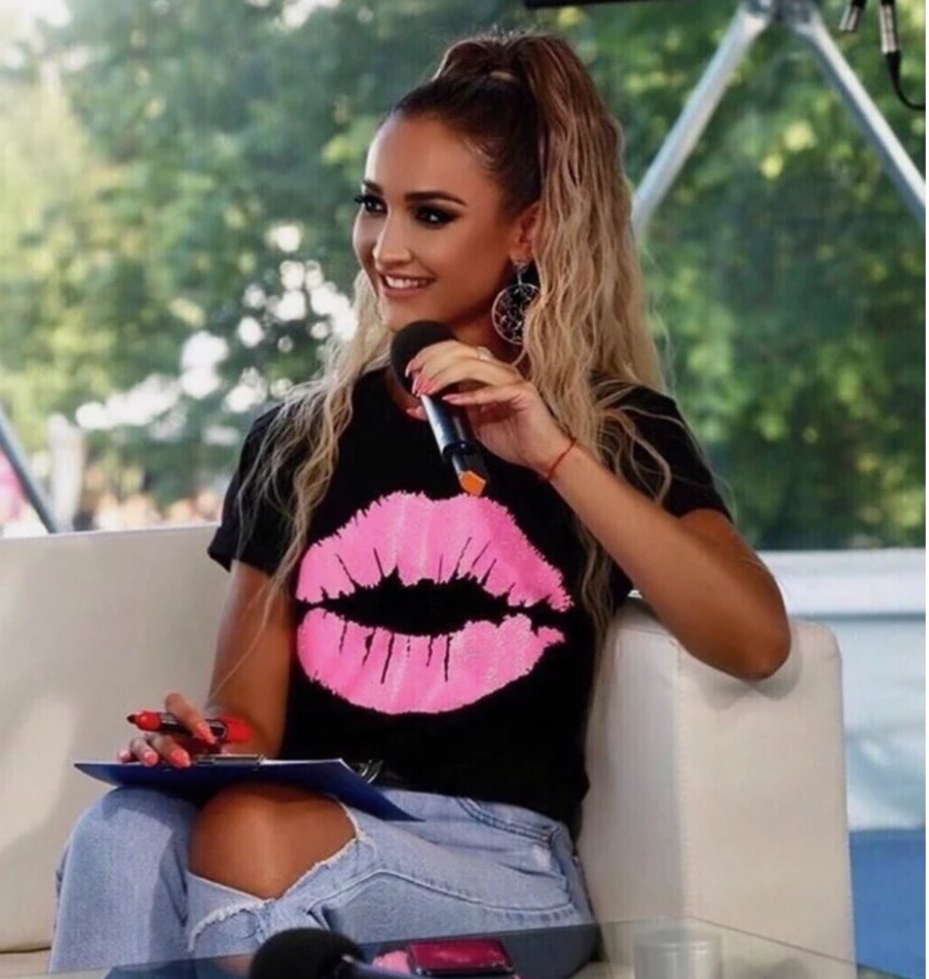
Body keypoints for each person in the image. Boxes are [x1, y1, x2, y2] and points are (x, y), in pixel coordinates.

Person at [49, 28, 790, 975]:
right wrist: (200, 745)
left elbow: (753, 640)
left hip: (499, 861)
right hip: (303, 818)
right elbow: (252, 722)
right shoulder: (297, 437)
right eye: (373, 205)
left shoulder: (615, 427)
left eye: (430, 214)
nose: (385, 247)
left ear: (526, 230)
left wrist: (551, 451)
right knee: (122, 827)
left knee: (247, 831)